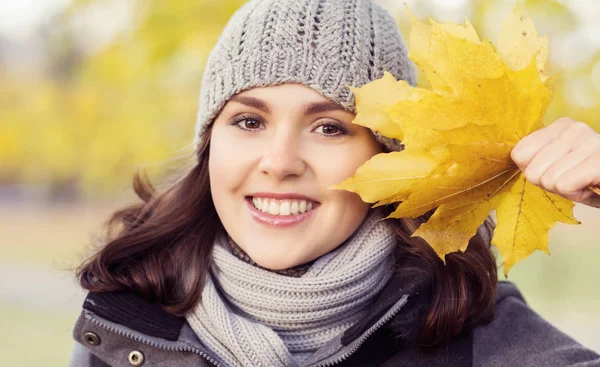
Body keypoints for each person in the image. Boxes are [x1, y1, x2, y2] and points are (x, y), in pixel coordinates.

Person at [68, 0, 600, 366]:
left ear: (386, 157)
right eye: (249, 121)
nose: (279, 162)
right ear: (211, 145)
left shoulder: (490, 342)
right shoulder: (128, 318)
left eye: (329, 128)